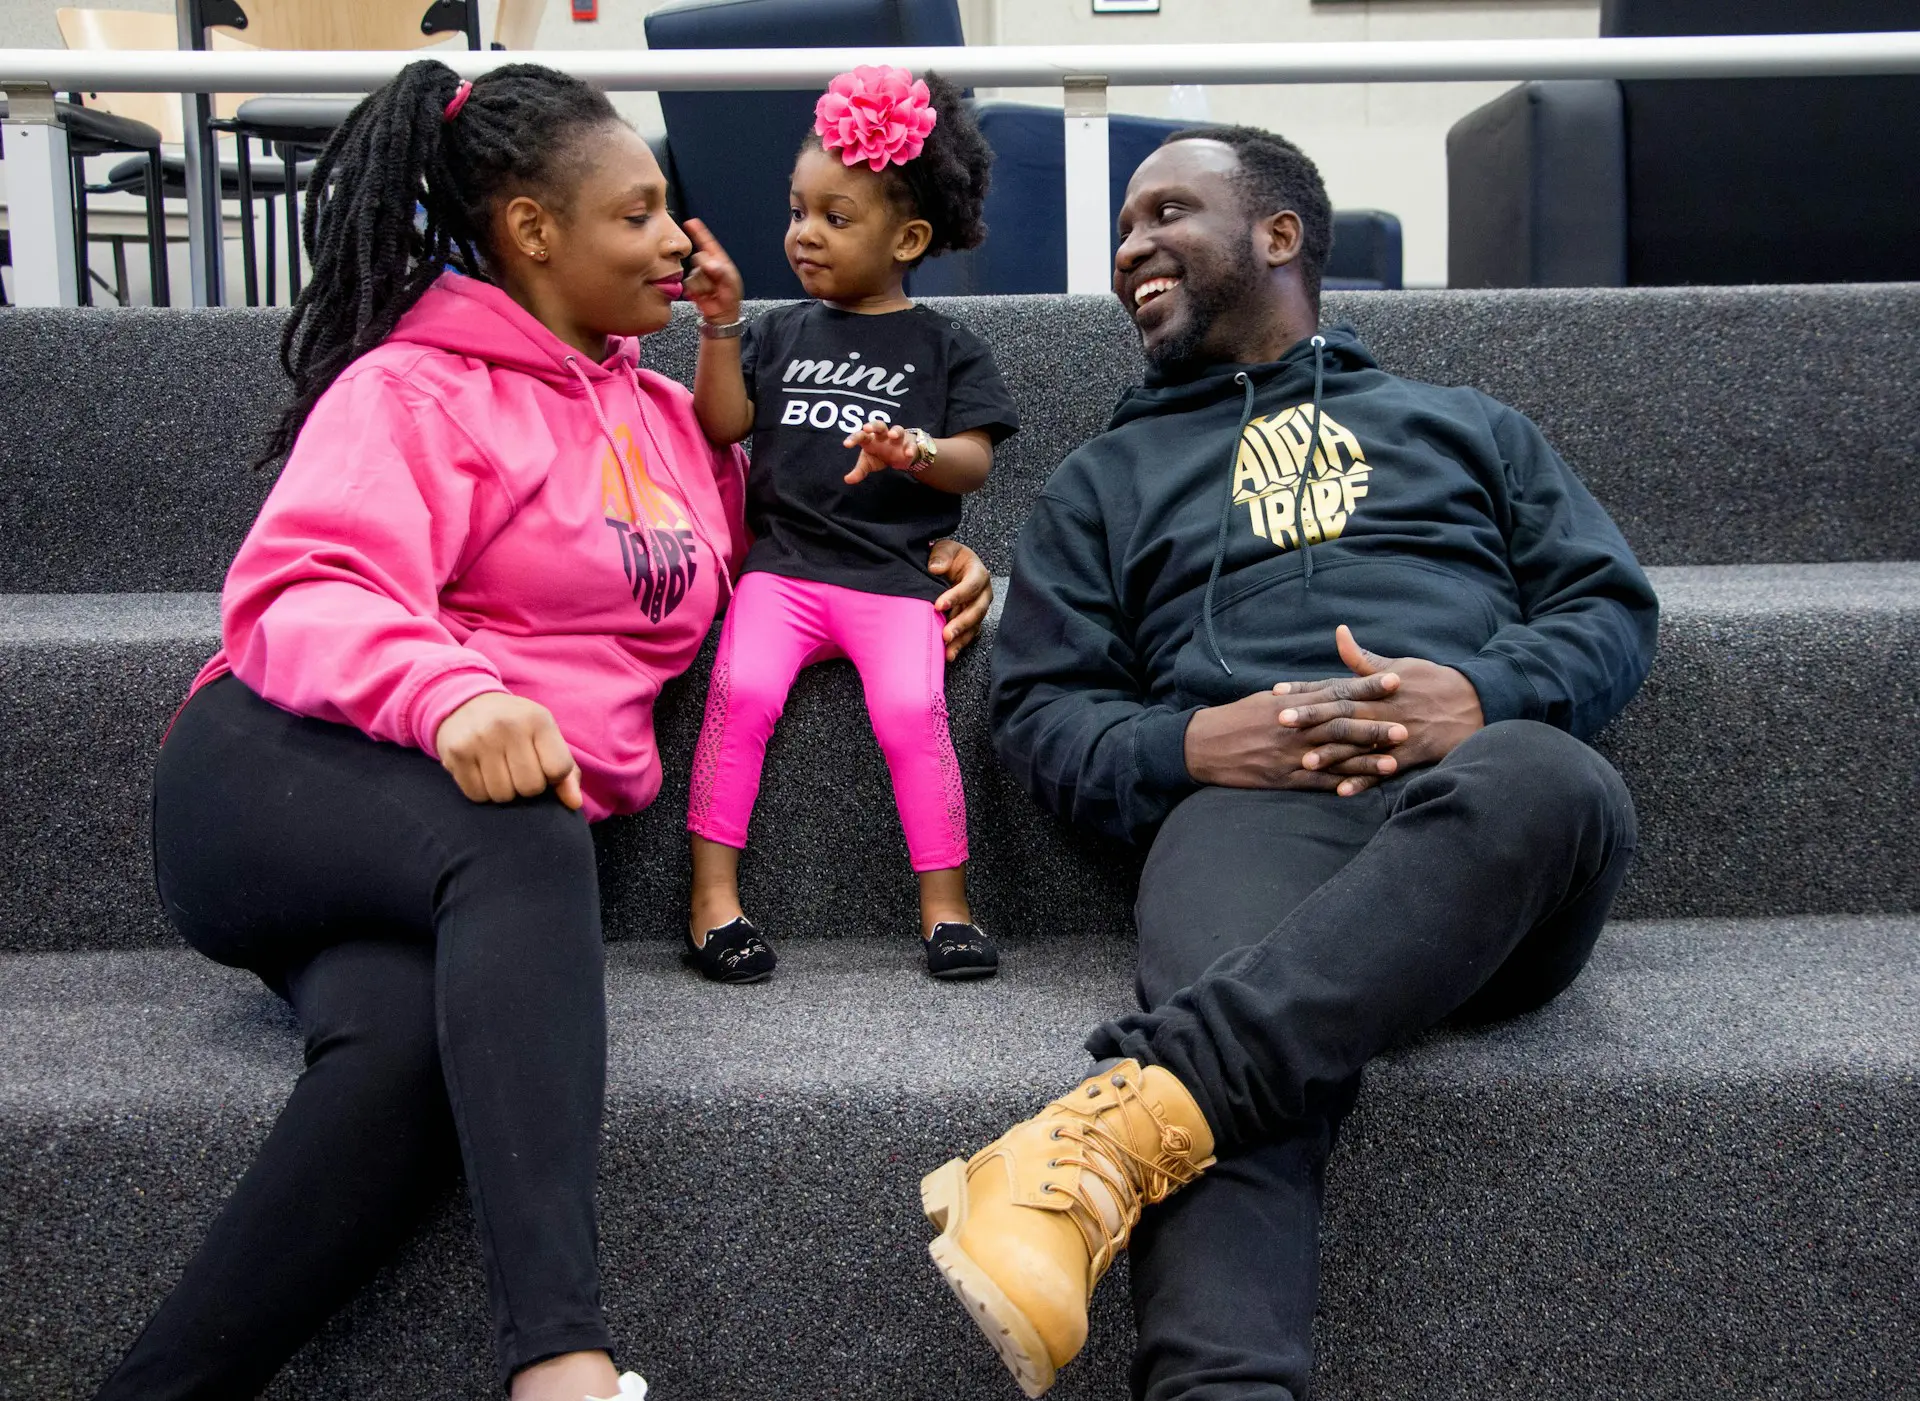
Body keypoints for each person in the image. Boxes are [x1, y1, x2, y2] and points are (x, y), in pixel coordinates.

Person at [95, 59, 991, 1401]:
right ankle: (561, 1364)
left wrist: (930, 562)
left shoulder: (660, 415)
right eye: (636, 215)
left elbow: (761, 549)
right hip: (274, 777)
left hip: (438, 862)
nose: (679, 242)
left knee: (408, 1056)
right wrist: (456, 693)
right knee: (530, 828)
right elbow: (301, 591)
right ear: (531, 232)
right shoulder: (417, 392)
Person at [917, 126, 1658, 1400]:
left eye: (1168, 213)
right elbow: (1039, 712)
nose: (1131, 245)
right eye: (1124, 227)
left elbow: (1607, 610)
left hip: (1480, 828)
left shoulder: (1465, 428)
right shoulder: (1102, 482)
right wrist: (1194, 741)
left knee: (1554, 777)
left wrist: (1478, 693)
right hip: (1248, 819)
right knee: (1253, 1028)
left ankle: (1125, 1121)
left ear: (1278, 237)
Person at [681, 66, 1018, 983]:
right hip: (782, 571)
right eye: (798, 211)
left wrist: (915, 448)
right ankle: (714, 901)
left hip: (893, 578)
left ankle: (946, 910)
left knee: (915, 713)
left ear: (907, 236)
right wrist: (719, 328)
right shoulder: (779, 331)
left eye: (836, 217)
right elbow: (723, 425)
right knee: (740, 693)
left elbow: (976, 461)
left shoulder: (948, 346)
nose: (804, 235)